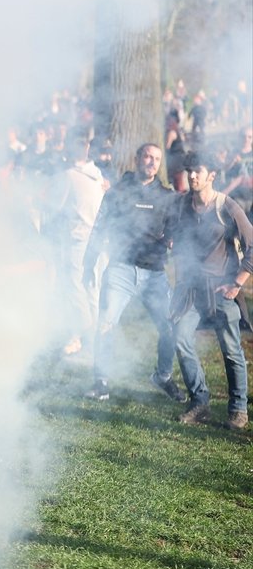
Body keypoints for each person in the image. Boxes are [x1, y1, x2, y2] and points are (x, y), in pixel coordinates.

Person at [83, 144, 183, 402]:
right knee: (106, 323)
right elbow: (99, 227)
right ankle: (101, 381)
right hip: (121, 269)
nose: (152, 162)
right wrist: (88, 263)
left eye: (157, 159)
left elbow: (175, 232)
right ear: (137, 158)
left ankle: (163, 377)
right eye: (148, 156)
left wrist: (172, 240)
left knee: (170, 328)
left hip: (155, 274)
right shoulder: (118, 191)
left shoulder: (167, 196)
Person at [168, 156, 252, 431]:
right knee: (181, 339)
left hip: (221, 290)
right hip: (191, 290)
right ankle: (200, 401)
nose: (192, 176)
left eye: (198, 171)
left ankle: (238, 410)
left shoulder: (226, 207)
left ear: (212, 175)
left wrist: (237, 282)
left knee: (230, 350)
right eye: (190, 171)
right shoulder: (182, 204)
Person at [49, 129, 106, 356]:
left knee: (75, 285)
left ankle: (85, 333)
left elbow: (54, 205)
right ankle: (94, 338)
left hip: (80, 238)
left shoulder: (70, 176)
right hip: (99, 238)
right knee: (93, 287)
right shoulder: (98, 174)